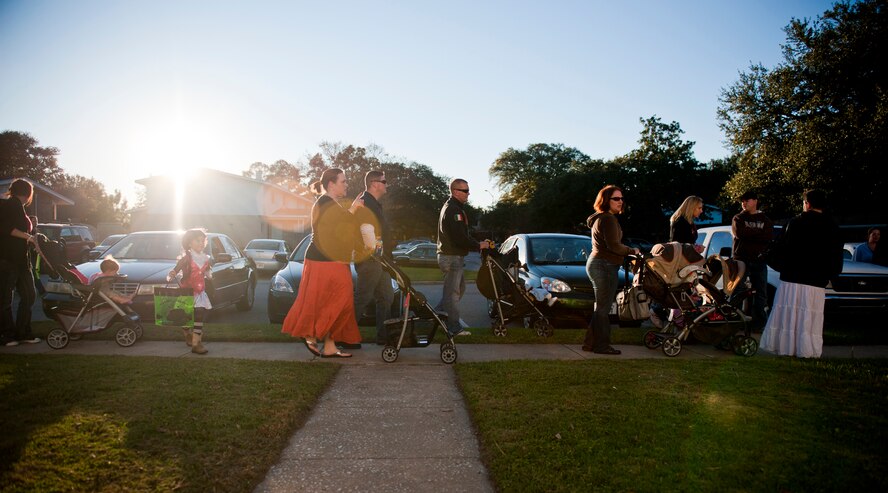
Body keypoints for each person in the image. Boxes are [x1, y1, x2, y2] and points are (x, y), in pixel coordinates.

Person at [282, 168, 364, 358]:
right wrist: (354, 208)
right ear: (331, 184)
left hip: (330, 260)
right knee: (340, 299)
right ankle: (310, 334)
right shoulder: (325, 202)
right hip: (323, 260)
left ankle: (329, 346)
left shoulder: (330, 203)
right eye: (343, 181)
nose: (346, 185)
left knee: (333, 300)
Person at [760, 189, 843, 358]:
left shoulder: (794, 223)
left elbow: (780, 249)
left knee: (789, 315)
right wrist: (831, 275)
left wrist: (778, 264)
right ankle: (807, 350)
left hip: (792, 278)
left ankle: (785, 347)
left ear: (807, 204)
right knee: (809, 317)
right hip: (816, 282)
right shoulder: (832, 227)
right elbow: (835, 255)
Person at [583, 185, 640, 355]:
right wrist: (632, 251)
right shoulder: (607, 219)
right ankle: (602, 346)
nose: (620, 202)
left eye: (622, 198)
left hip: (599, 264)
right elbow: (614, 246)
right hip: (604, 265)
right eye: (616, 199)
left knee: (600, 307)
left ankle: (590, 343)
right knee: (603, 308)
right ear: (606, 200)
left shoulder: (602, 218)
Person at [436, 178, 492, 337]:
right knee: (452, 293)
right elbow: (459, 237)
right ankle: (453, 328)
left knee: (458, 289)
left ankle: (437, 316)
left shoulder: (453, 207)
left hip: (451, 256)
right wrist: (479, 245)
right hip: (451, 256)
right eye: (465, 191)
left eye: (468, 190)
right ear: (455, 191)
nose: (468, 193)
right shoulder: (454, 210)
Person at [352, 170, 395, 346]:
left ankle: (384, 337)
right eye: (384, 181)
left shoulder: (374, 203)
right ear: (375, 184)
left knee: (386, 296)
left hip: (380, 259)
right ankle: (341, 336)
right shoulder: (365, 203)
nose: (387, 184)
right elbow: (366, 231)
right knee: (362, 299)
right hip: (371, 259)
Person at [0, 179, 41, 346]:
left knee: (29, 295)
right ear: (28, 193)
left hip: (22, 259)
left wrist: (34, 239)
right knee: (5, 298)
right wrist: (29, 237)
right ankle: (6, 334)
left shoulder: (20, 208)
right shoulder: (10, 205)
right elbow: (6, 228)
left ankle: (22, 332)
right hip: (8, 258)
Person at [730, 190, 774, 330]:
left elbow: (767, 237)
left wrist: (750, 234)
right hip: (741, 260)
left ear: (755, 201)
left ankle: (759, 323)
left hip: (759, 260)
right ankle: (732, 319)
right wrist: (757, 234)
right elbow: (740, 233)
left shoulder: (765, 220)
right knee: (738, 290)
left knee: (761, 293)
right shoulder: (738, 218)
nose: (744, 203)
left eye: (746, 200)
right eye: (742, 201)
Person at [168, 228, 214, 355]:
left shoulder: (205, 258)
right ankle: (187, 334)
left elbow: (207, 270)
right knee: (185, 317)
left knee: (199, 315)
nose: (201, 243)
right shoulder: (186, 259)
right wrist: (172, 273)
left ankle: (196, 343)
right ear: (189, 243)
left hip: (199, 292)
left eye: (203, 240)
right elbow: (176, 269)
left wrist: (209, 274)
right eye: (197, 240)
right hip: (186, 293)